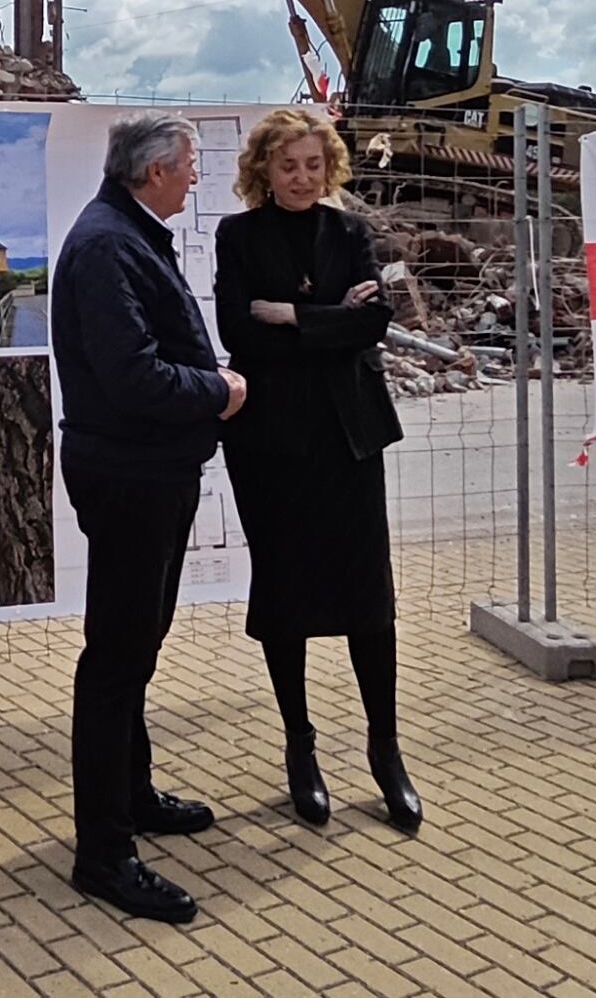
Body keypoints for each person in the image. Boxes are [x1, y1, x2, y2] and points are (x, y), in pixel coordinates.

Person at [53, 113, 249, 924]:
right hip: (129, 475)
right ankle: (103, 854)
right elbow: (134, 379)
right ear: (155, 171)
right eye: (191, 165)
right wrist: (222, 392)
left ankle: (132, 797)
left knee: (136, 649)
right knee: (116, 661)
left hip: (152, 472)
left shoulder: (126, 232)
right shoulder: (107, 246)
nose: (197, 177)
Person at [213, 106, 421, 834]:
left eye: (312, 165)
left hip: (349, 436)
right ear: (263, 171)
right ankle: (300, 745)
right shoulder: (237, 235)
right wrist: (329, 315)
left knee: (370, 595)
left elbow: (375, 324)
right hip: (271, 442)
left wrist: (295, 316)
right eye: (287, 166)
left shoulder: (352, 232)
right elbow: (239, 332)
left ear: (328, 165)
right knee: (286, 593)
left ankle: (384, 748)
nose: (301, 178)